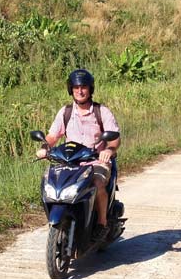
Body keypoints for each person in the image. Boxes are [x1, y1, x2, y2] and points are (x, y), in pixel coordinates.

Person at [36, 68, 120, 239]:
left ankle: (101, 224)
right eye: (76, 88)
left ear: (90, 89)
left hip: (95, 162)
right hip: (69, 163)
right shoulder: (66, 112)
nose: (80, 91)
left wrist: (108, 150)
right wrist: (45, 147)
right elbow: (53, 135)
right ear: (71, 90)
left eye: (83, 87)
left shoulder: (101, 111)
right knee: (51, 184)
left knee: (97, 183)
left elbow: (114, 138)